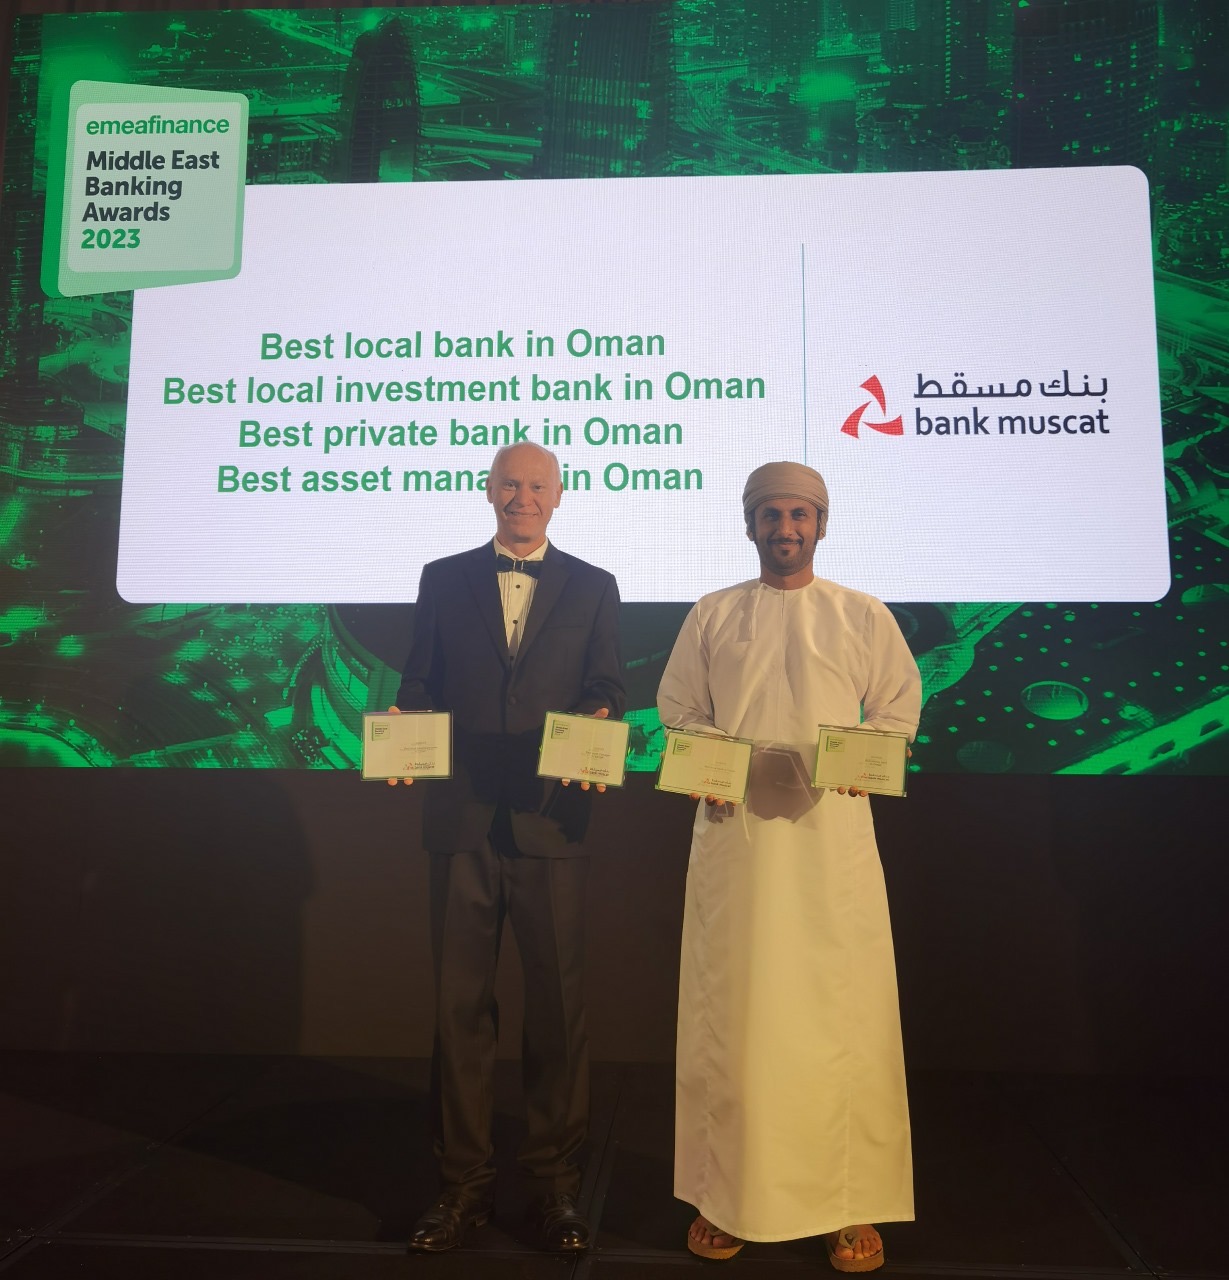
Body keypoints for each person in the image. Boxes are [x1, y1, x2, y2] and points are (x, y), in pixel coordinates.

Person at [656, 461, 921, 1273]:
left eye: (799, 514)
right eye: (770, 514)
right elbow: (679, 710)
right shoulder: (712, 613)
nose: (785, 528)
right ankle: (724, 1195)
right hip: (736, 846)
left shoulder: (860, 613)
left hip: (829, 846)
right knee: (736, 1017)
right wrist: (717, 765)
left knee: (842, 1018)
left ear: (820, 524)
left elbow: (897, 709)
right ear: (749, 525)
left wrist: (867, 755)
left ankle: (847, 1202)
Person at [391, 442, 625, 1254]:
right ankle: (461, 1187)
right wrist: (403, 734)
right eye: (509, 485)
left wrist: (598, 722)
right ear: (488, 491)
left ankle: (556, 1188)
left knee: (557, 1013)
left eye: (536, 486)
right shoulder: (441, 577)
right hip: (459, 818)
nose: (522, 497)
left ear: (558, 497)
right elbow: (417, 682)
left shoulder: (594, 585)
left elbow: (607, 687)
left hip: (551, 818)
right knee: (459, 1012)